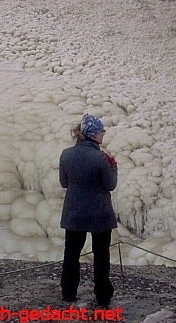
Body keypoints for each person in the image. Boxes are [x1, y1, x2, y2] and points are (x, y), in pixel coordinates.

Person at [59, 114, 118, 307]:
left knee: (71, 253)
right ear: (94, 134)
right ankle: (102, 296)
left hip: (74, 212)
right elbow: (110, 185)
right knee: (101, 255)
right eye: (102, 131)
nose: (104, 134)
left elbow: (64, 182)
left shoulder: (66, 154)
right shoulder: (101, 158)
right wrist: (113, 166)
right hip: (98, 213)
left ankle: (68, 292)